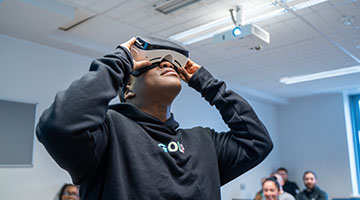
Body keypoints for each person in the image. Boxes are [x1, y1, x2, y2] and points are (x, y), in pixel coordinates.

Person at [36, 37, 273, 200]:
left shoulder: (204, 140)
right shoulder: (107, 131)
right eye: (155, 63)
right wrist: (120, 61)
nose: (168, 63)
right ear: (127, 89)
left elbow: (257, 142)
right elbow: (59, 126)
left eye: (171, 64)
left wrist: (208, 84)